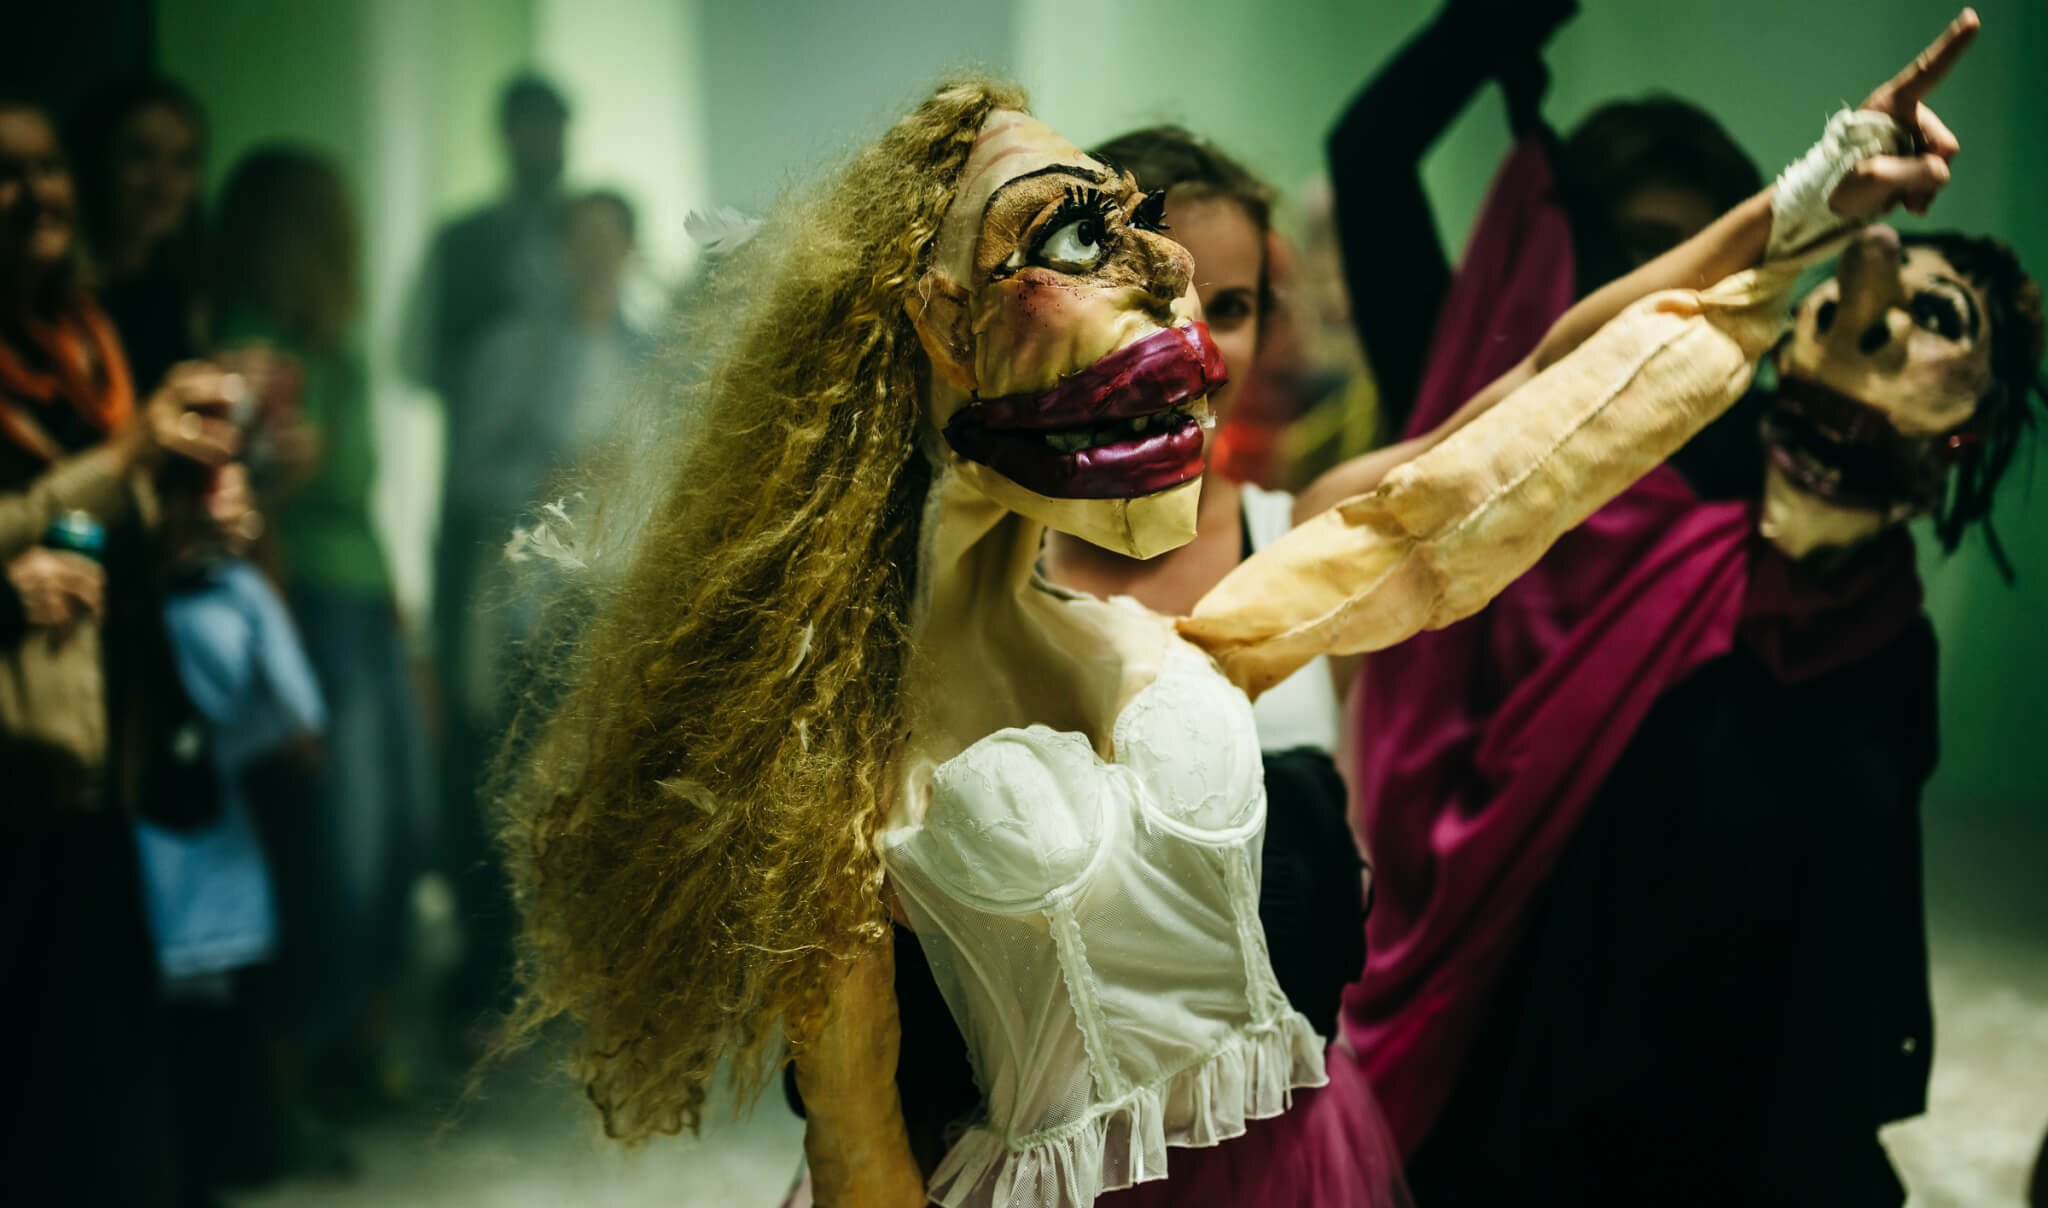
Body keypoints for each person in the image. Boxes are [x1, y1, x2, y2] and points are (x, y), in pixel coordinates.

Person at [493, 14, 1974, 1203]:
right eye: (1083, 243)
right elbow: (861, 1151)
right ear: (936, 322)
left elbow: (1526, 417)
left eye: (1208, 287)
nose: (1183, 315)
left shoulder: (1187, 638)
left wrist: (1803, 204)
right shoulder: (838, 760)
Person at [1352, 219, 2039, 1205]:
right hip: (1579, 1061)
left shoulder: (1891, 645)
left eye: (1934, 315)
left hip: (1759, 1098)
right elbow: (1547, 385)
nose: (1871, 322)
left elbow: (1859, 905)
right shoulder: (1655, 547)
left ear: (1968, 430)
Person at [0, 96, 243, 1207]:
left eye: (46, 167)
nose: (34, 195)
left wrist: (193, 517)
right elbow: (46, 509)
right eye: (7, 173)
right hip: (23, 724)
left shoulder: (87, 335)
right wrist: (129, 456)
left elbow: (99, 523)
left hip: (100, 718)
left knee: (93, 1025)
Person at [211, 144, 431, 1112]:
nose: (352, 235)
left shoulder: (337, 348)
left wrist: (401, 623)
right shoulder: (251, 344)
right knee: (342, 838)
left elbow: (364, 495)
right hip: (303, 596)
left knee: (404, 824)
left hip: (364, 599)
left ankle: (356, 1032)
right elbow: (250, 503)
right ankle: (313, 1052)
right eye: (330, 217)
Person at [1328, 0, 1759, 442]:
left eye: (1720, 265)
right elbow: (1368, 159)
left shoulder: (1759, 443)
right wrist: (1485, 25)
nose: (1685, 284)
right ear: (1567, 248)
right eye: (1649, 245)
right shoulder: (1463, 373)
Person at [440, 187, 655, 1025]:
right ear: (560, 250)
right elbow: (468, 476)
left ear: (629, 251)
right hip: (535, 604)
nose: (596, 255)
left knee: (609, 794)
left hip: (619, 602)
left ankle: (588, 981)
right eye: (582, 238)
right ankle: (504, 976)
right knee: (518, 788)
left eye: (610, 239)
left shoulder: (657, 354)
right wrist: (551, 477)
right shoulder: (512, 348)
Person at [66, 72, 209, 394]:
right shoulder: (59, 295)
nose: (164, 185)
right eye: (141, 155)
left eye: (183, 162)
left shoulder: (182, 286)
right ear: (96, 162)